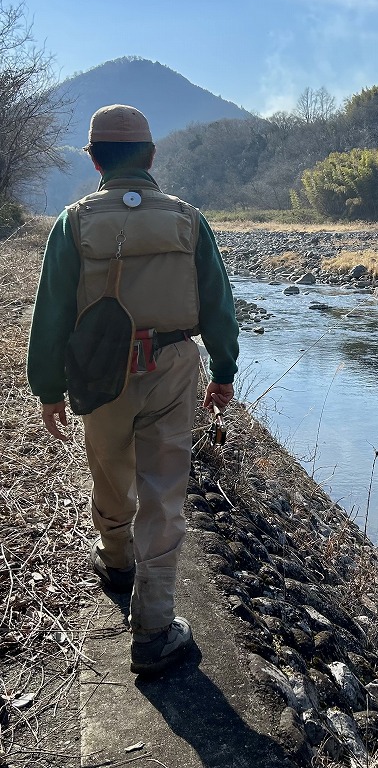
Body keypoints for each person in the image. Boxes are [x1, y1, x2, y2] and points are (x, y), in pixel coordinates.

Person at [27, 104, 239, 676]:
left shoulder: (73, 222)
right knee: (163, 489)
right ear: (151, 156)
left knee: (108, 467)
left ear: (95, 160)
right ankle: (154, 629)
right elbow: (218, 305)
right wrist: (223, 371)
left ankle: (117, 562)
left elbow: (51, 314)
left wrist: (49, 389)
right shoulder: (188, 219)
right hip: (173, 364)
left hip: (99, 369)